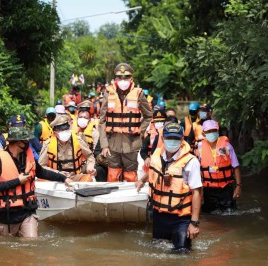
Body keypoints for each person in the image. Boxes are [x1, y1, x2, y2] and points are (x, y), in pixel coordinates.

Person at [0, 127, 71, 238]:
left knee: (31, 244)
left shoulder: (28, 157)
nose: (29, 143)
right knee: (7, 250)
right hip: (6, 216)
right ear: (18, 142)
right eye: (26, 141)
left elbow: (43, 173)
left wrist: (63, 178)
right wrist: (17, 181)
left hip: (27, 212)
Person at [136, 123, 202, 253]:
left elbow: (197, 192)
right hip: (159, 215)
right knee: (157, 251)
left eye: (176, 138)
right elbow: (154, 172)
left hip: (180, 218)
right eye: (169, 138)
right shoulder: (157, 155)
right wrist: (142, 180)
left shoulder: (191, 161)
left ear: (182, 139)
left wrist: (194, 223)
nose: (172, 141)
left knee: (181, 253)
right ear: (162, 139)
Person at [99, 63, 153, 182]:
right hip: (112, 142)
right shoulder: (108, 94)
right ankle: (112, 198)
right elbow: (102, 120)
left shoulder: (139, 94)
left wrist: (139, 130)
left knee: (130, 174)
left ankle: (131, 196)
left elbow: (148, 116)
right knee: (113, 174)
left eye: (126, 77)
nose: (123, 80)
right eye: (120, 77)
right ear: (116, 79)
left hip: (132, 142)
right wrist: (104, 145)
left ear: (131, 79)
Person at [196, 120, 242, 213]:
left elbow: (235, 167)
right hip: (208, 189)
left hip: (226, 188)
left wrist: (238, 186)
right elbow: (197, 171)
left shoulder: (227, 146)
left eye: (214, 130)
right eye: (209, 131)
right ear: (204, 133)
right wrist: (199, 192)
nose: (211, 133)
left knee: (230, 213)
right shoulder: (199, 147)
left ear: (218, 131)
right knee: (209, 214)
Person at [39, 115, 96, 182]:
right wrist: (57, 173)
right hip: (56, 178)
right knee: (41, 180)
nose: (64, 131)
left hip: (75, 177)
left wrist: (90, 166)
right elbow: (41, 166)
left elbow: (89, 155)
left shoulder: (78, 140)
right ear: (55, 132)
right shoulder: (48, 144)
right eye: (61, 130)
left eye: (66, 129)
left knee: (89, 179)